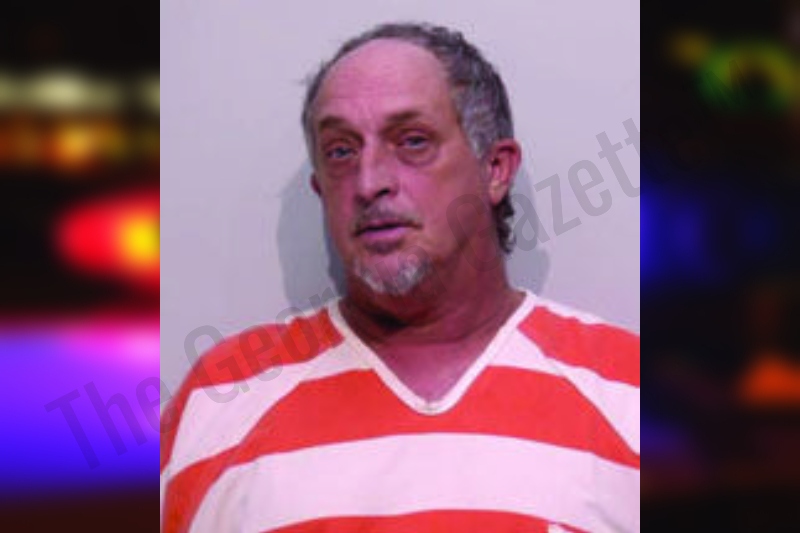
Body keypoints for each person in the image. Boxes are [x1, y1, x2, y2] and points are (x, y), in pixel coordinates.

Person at [160, 22, 639, 533]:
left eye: (412, 141)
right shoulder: (220, 400)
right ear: (321, 189)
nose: (369, 183)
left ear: (495, 169)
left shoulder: (628, 392)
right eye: (341, 151)